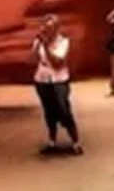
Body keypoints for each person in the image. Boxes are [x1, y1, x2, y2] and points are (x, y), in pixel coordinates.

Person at [31, 14, 83, 155]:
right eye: (45, 27)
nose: (47, 30)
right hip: (42, 79)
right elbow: (33, 58)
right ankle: (52, 141)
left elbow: (57, 63)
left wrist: (47, 46)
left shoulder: (63, 42)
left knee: (64, 109)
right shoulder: (39, 41)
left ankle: (75, 142)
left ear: (56, 28)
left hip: (59, 80)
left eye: (50, 27)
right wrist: (38, 46)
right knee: (48, 111)